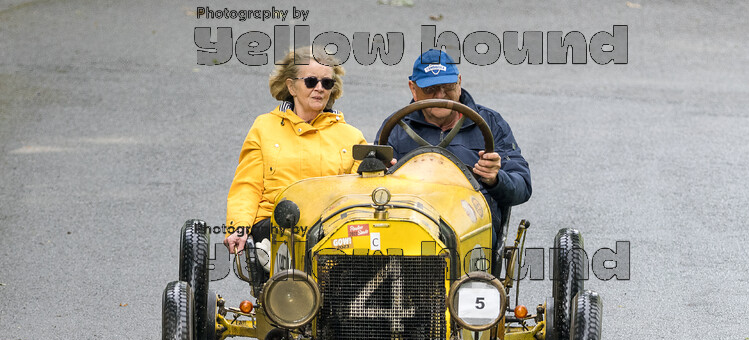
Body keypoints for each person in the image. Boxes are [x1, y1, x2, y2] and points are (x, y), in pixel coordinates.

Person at [377, 48, 531, 247]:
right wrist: (383, 172)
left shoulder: (492, 123)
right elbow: (374, 186)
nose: (441, 95)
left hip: (469, 221)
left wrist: (495, 178)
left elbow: (523, 186)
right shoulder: (395, 128)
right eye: (430, 89)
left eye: (447, 86)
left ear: (459, 82)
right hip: (411, 221)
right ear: (413, 89)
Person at [225, 48, 367, 254]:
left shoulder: (352, 136)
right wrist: (239, 227)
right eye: (311, 81)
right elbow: (248, 186)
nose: (319, 88)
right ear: (291, 86)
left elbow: (361, 193)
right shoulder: (264, 127)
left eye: (326, 83)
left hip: (332, 229)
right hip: (275, 222)